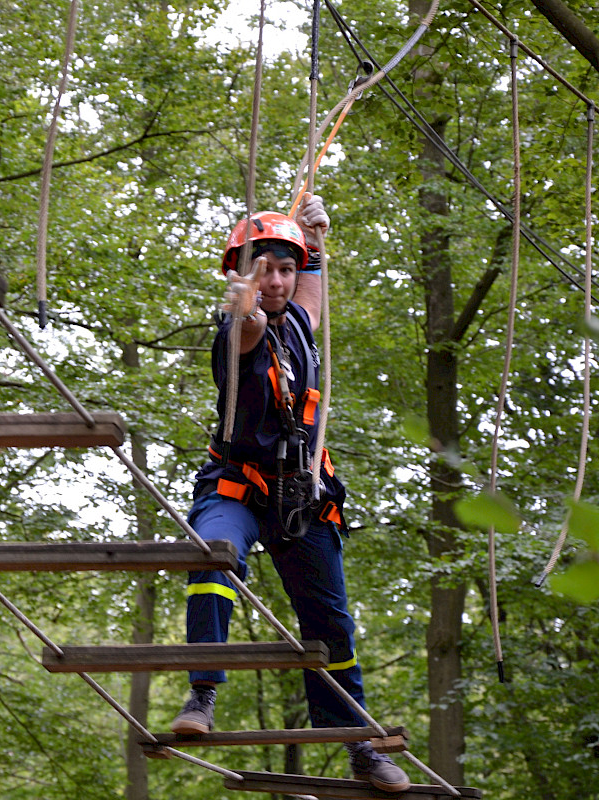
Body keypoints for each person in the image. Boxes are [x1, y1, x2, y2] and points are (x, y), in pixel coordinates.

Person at [169, 195, 411, 793]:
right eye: (262, 269)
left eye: (284, 269)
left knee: (331, 624)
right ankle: (202, 694)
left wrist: (316, 243)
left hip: (303, 498)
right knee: (214, 554)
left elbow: (309, 293)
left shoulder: (300, 322)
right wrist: (243, 294)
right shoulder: (239, 328)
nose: (276, 281)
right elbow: (249, 321)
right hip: (238, 490)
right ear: (240, 273)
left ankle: (358, 744)